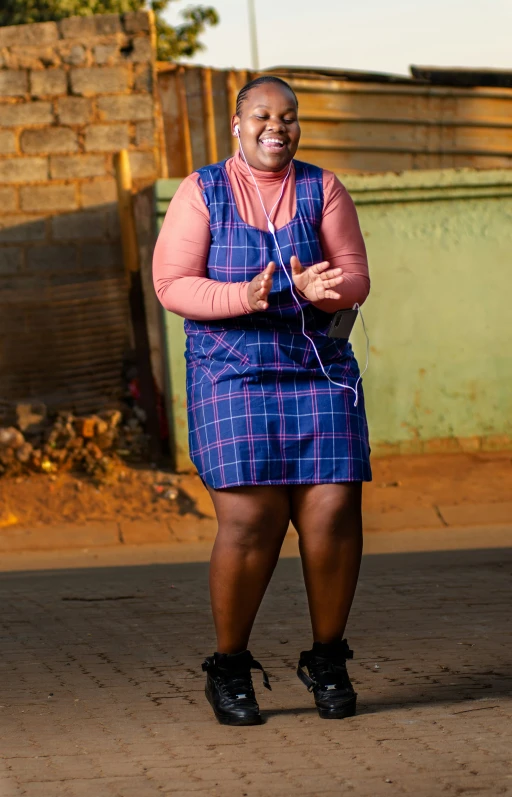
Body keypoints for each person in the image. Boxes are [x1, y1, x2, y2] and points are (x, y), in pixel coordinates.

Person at [153, 75, 371, 726]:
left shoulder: (323, 188)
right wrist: (241, 297)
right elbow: (171, 283)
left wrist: (319, 288)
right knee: (254, 520)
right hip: (231, 369)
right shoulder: (203, 192)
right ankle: (229, 664)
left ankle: (327, 657)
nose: (277, 126)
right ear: (237, 124)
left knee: (332, 510)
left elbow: (356, 276)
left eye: (289, 116)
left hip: (317, 366)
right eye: (262, 115)